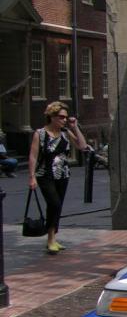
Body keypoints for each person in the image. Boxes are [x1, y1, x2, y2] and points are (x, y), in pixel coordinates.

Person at [28, 102, 88, 253]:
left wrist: (75, 127)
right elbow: (33, 156)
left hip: (63, 174)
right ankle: (50, 239)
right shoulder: (40, 134)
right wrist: (32, 177)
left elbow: (82, 146)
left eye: (66, 118)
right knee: (53, 203)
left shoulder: (66, 133)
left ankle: (53, 237)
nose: (64, 120)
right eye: (61, 117)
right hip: (45, 174)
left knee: (57, 205)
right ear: (52, 117)